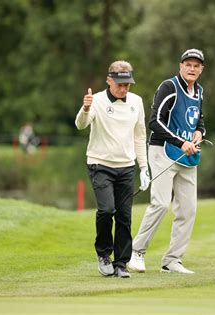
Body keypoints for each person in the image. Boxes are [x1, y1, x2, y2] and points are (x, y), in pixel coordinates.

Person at [129, 49, 206, 274]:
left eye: (196, 65)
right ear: (180, 66)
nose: (192, 69)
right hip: (163, 151)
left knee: (188, 210)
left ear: (201, 69)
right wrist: (180, 141)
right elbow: (154, 121)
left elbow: (199, 119)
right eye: (188, 64)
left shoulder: (199, 91)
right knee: (161, 203)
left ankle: (172, 260)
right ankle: (137, 252)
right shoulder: (169, 87)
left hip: (188, 157)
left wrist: (200, 132)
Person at [75, 60, 150, 278]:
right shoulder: (96, 100)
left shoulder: (136, 102)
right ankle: (104, 255)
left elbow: (140, 136)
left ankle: (121, 264)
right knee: (107, 210)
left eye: (127, 84)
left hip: (126, 167)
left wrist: (144, 167)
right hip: (100, 164)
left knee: (125, 216)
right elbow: (81, 124)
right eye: (120, 84)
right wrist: (85, 107)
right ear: (109, 80)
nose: (124, 88)